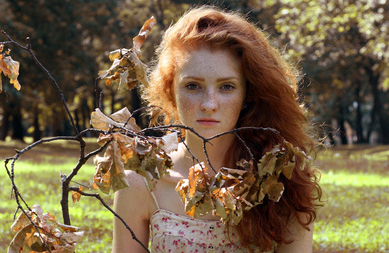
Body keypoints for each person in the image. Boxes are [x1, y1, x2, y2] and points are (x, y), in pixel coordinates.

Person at [112, 6, 322, 253]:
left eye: (226, 87)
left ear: (247, 94)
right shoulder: (140, 182)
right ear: (171, 90)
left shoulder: (283, 182)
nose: (209, 104)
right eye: (193, 86)